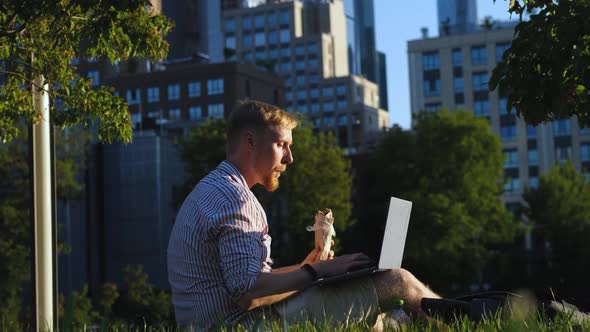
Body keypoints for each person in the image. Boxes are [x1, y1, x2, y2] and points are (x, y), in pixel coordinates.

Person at [167, 100, 440, 329]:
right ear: (250, 141)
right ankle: (465, 321)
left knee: (377, 319)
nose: (289, 158)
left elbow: (243, 280)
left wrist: (304, 267)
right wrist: (317, 271)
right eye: (281, 145)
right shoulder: (238, 200)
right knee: (396, 281)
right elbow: (248, 293)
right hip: (242, 326)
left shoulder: (211, 189)